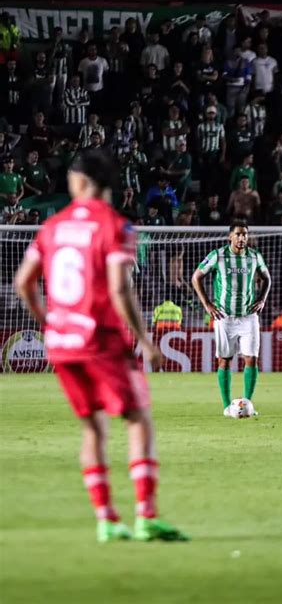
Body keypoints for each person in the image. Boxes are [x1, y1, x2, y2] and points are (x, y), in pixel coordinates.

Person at [14, 151, 188, 543]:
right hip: (101, 340)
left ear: (78, 181)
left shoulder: (52, 227)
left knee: (92, 428)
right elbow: (118, 287)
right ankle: (145, 514)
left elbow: (23, 283)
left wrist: (49, 324)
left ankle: (107, 519)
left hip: (61, 344)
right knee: (138, 419)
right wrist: (144, 339)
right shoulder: (116, 226)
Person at [192, 220, 271, 416]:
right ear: (230, 236)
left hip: (248, 316)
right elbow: (196, 277)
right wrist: (207, 304)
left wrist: (261, 299)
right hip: (224, 317)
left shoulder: (254, 257)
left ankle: (247, 404)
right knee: (224, 361)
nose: (242, 238)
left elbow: (267, 278)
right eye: (238, 234)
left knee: (251, 359)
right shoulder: (218, 255)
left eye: (244, 234)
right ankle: (228, 406)